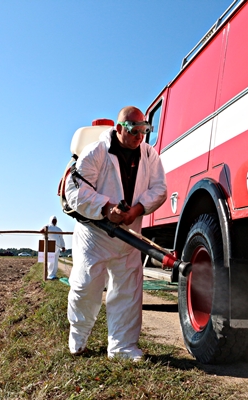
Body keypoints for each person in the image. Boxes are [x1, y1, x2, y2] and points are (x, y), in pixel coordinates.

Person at [64, 106, 167, 361]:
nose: (139, 136)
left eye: (145, 130)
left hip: (129, 236)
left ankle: (122, 348)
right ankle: (78, 341)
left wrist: (138, 209)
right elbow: (74, 191)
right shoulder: (96, 152)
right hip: (95, 236)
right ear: (120, 128)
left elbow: (159, 188)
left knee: (127, 292)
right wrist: (106, 207)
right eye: (134, 130)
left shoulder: (149, 154)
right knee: (86, 287)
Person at [42, 216, 66, 280]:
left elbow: (61, 238)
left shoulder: (59, 229)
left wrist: (63, 246)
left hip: (57, 247)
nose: (54, 221)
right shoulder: (47, 226)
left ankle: (54, 274)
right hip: (50, 246)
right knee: (50, 261)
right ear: (51, 220)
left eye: (55, 220)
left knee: (55, 262)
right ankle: (49, 275)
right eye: (53, 220)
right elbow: (41, 231)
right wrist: (45, 234)